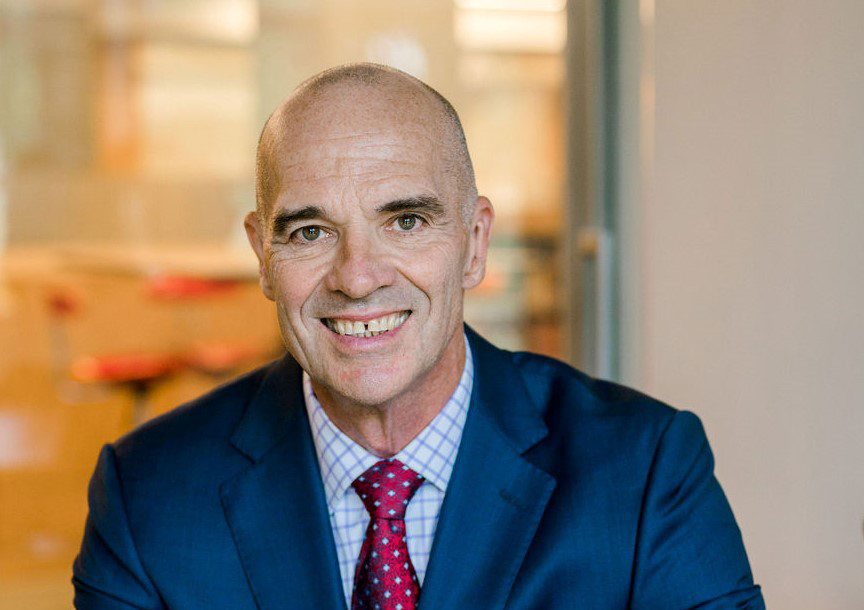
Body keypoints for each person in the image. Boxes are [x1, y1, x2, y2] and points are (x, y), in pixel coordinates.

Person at [73, 63, 764, 609]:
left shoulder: (643, 472)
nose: (358, 277)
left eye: (405, 221)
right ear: (263, 256)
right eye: (311, 231)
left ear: (473, 243)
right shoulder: (148, 498)